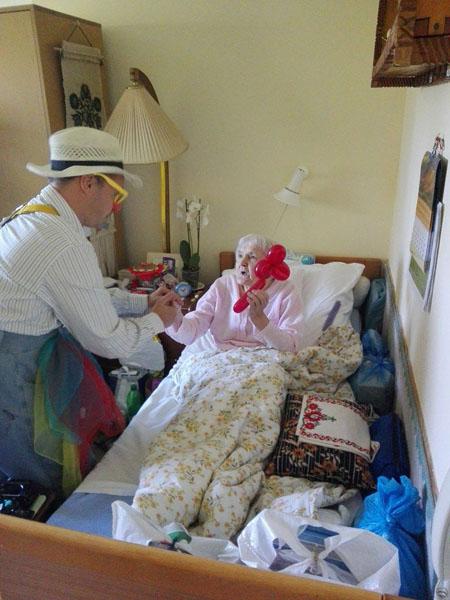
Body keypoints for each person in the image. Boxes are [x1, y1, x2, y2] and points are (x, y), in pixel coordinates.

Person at [0, 126, 181, 490]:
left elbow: (83, 295)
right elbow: (108, 342)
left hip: (17, 349)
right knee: (36, 473)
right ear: (87, 183)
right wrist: (156, 321)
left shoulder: (33, 214)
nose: (116, 207)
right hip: (14, 368)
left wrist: (141, 302)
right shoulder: (61, 241)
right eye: (116, 193)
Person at [166, 233, 303, 353]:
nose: (242, 262)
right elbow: (194, 328)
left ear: (270, 264)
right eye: (240, 256)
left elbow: (290, 347)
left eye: (252, 257)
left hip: (263, 359)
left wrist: (260, 319)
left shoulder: (286, 292)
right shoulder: (222, 285)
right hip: (218, 355)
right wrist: (174, 316)